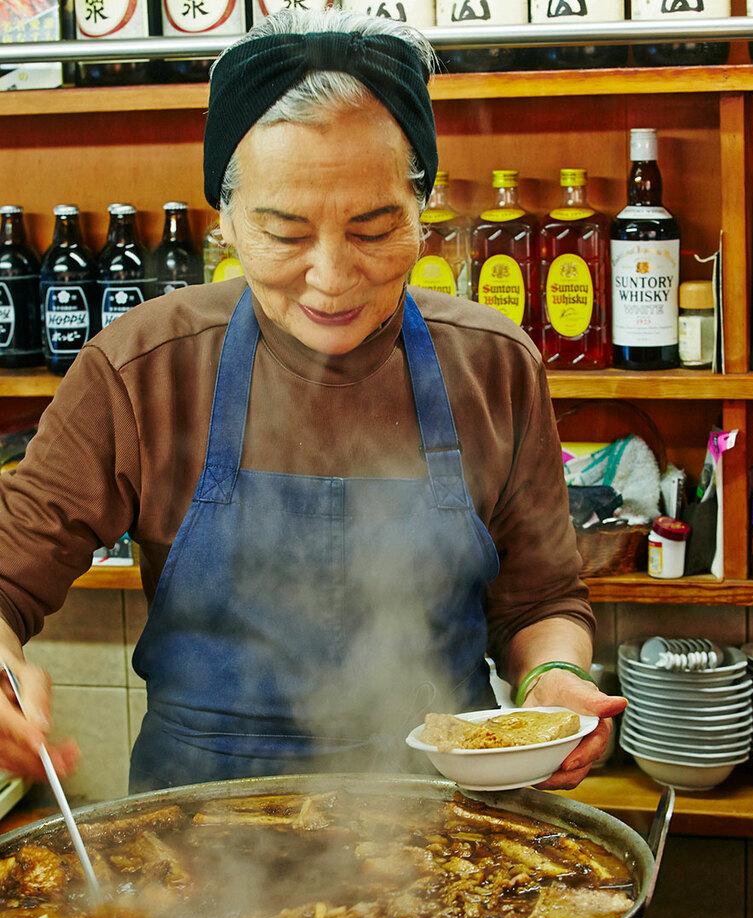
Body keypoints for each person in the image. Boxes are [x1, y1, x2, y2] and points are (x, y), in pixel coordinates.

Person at [0, 8, 625, 795]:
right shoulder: (141, 366)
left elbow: (539, 600)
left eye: (372, 229)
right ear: (224, 221)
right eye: (285, 233)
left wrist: (554, 683)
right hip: (198, 834)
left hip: (446, 823)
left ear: (421, 213)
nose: (330, 278)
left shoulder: (492, 364)